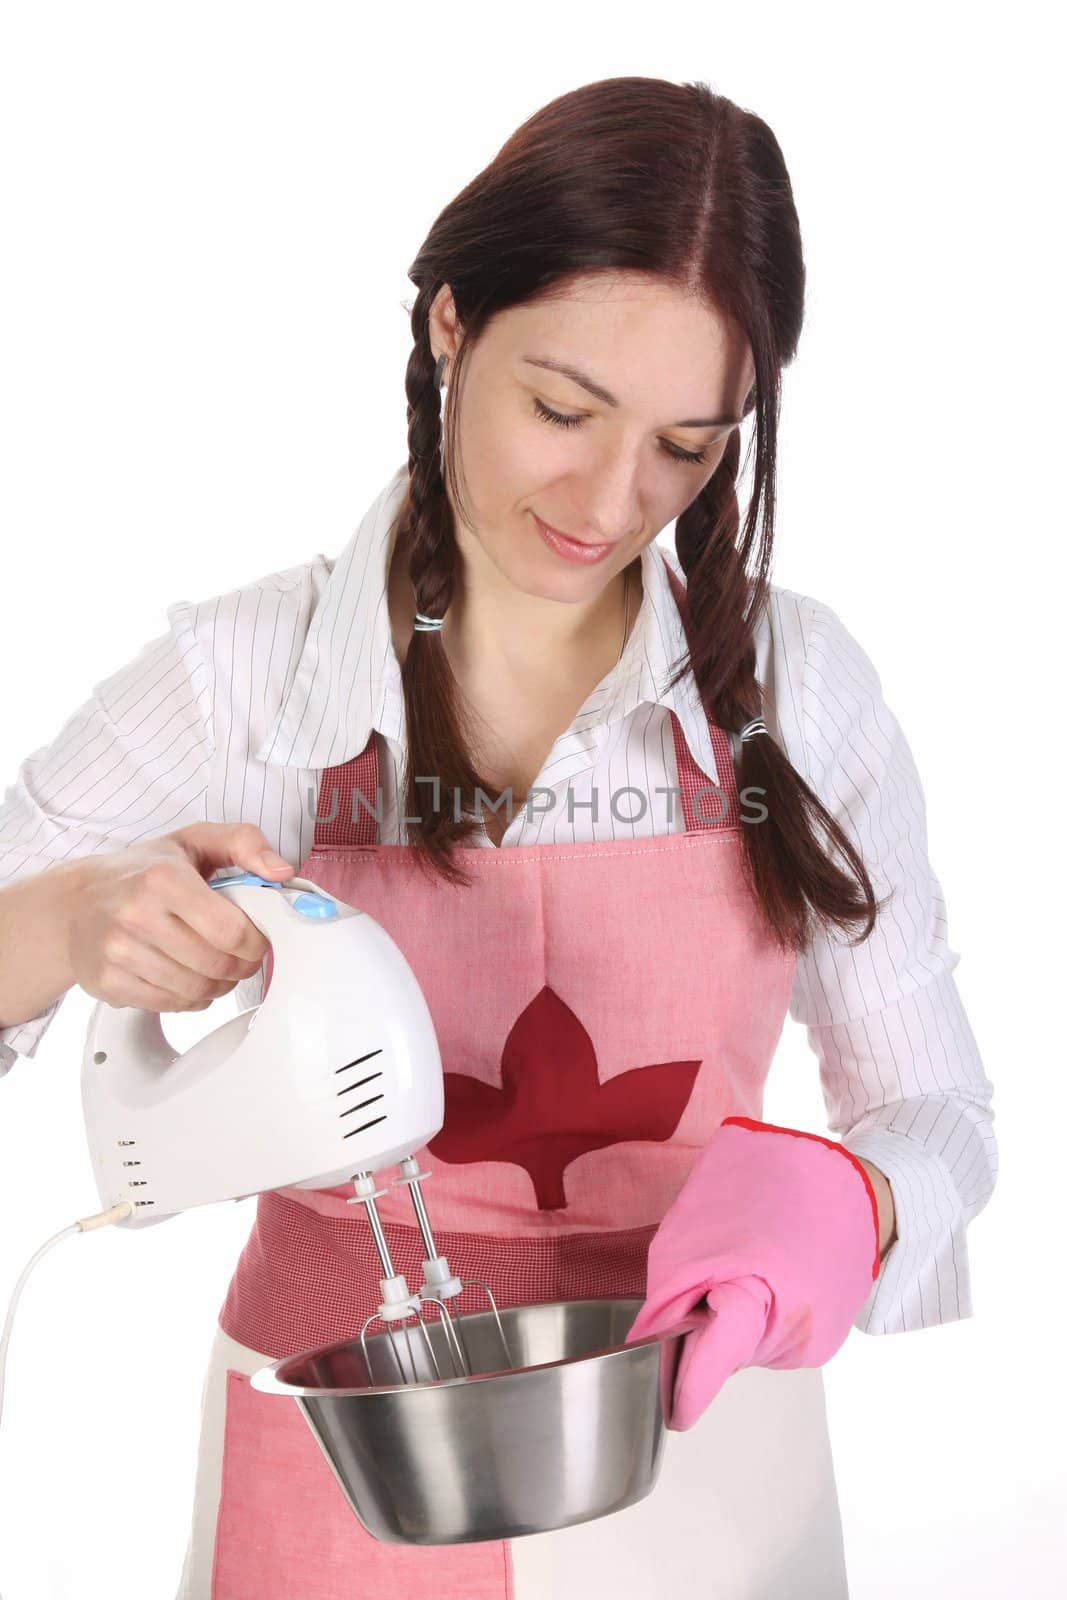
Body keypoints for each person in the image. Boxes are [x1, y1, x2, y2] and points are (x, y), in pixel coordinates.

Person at [0, 76, 996, 1599]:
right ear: (452, 324)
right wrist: (79, 919)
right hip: (343, 1444)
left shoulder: (802, 692)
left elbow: (937, 1113)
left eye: (686, 445)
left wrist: (853, 1203)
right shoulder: (247, 678)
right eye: (562, 408)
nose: (612, 501)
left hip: (706, 1456)